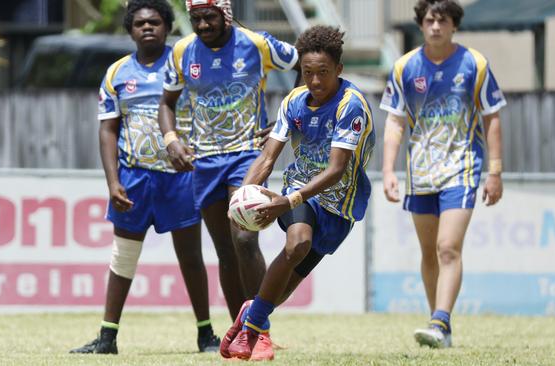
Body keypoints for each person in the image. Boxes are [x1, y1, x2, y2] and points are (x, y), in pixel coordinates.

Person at [70, 0, 219, 354]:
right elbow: (108, 131)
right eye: (140, 23)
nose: (148, 27)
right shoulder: (117, 73)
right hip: (134, 178)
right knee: (123, 255)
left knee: (191, 257)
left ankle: (205, 335)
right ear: (130, 30)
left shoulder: (183, 62)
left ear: (167, 27)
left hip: (180, 176)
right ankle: (107, 338)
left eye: (155, 22)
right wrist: (112, 181)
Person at [221, 25, 376, 361]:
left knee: (276, 295)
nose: (315, 81)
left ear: (339, 70)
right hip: (298, 191)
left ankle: (248, 317)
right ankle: (253, 335)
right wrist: (242, 197)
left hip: (340, 204)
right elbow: (267, 157)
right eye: (307, 73)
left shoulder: (351, 106)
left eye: (323, 73)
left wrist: (286, 202)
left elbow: (336, 170)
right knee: (298, 243)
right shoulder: (293, 101)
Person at [158, 0, 299, 322]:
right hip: (204, 161)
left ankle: (258, 327)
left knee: (245, 237)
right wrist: (172, 141)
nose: (203, 25)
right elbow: (166, 103)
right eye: (196, 19)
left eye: (209, 17)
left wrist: (287, 118)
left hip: (248, 154)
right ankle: (241, 331)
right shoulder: (182, 51)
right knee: (225, 251)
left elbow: (304, 62)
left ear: (225, 14)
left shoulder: (257, 43)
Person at [380, 0, 506, 349]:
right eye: (430, 20)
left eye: (443, 20)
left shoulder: (474, 64)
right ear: (421, 25)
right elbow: (395, 120)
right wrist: (388, 169)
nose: (436, 26)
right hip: (420, 172)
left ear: (454, 25)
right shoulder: (404, 66)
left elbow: (492, 117)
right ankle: (440, 324)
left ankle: (440, 320)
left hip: (461, 169)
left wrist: (494, 172)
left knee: (447, 247)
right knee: (429, 251)